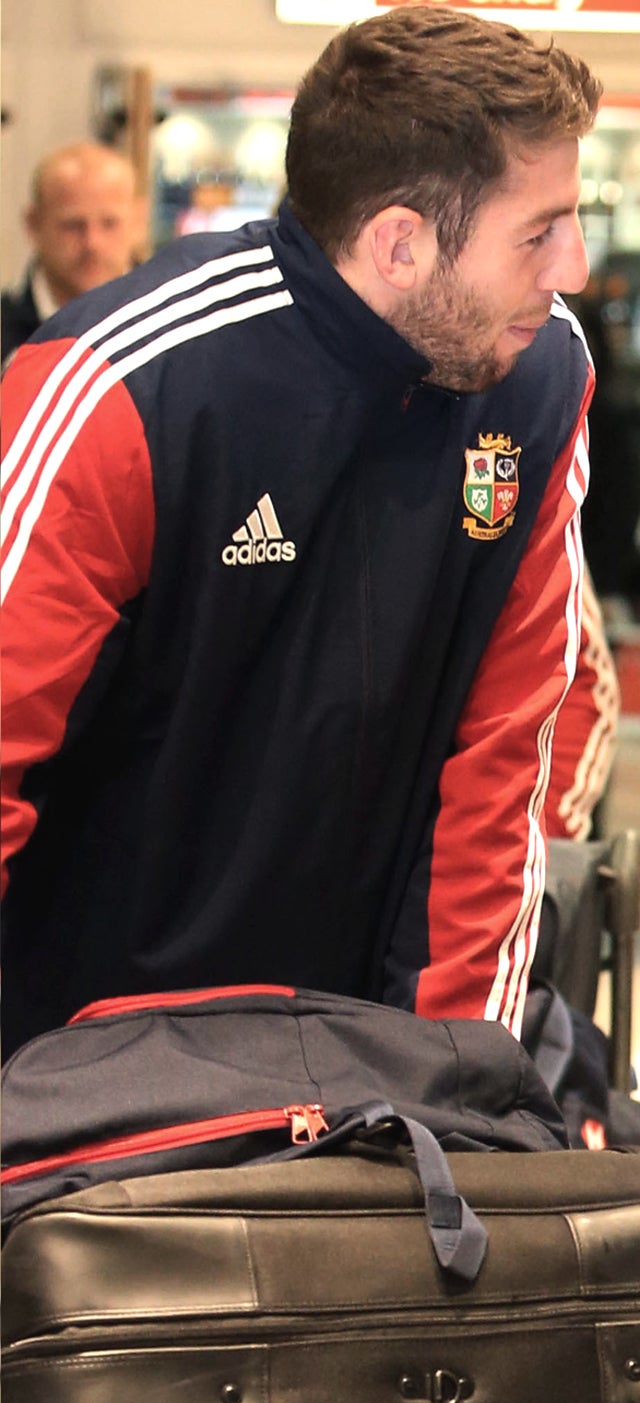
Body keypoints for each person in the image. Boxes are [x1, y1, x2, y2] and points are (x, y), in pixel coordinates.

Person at [0, 7, 608, 1055]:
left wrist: (452, 1074)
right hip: (86, 1066)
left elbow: (500, 759)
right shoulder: (117, 392)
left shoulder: (540, 375)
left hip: (360, 1059)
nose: (577, 267)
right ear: (401, 244)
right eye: (539, 231)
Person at [1, 141, 143, 364]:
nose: (92, 243)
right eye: (73, 225)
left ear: (139, 221)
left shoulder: (182, 335)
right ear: (33, 224)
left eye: (109, 223)